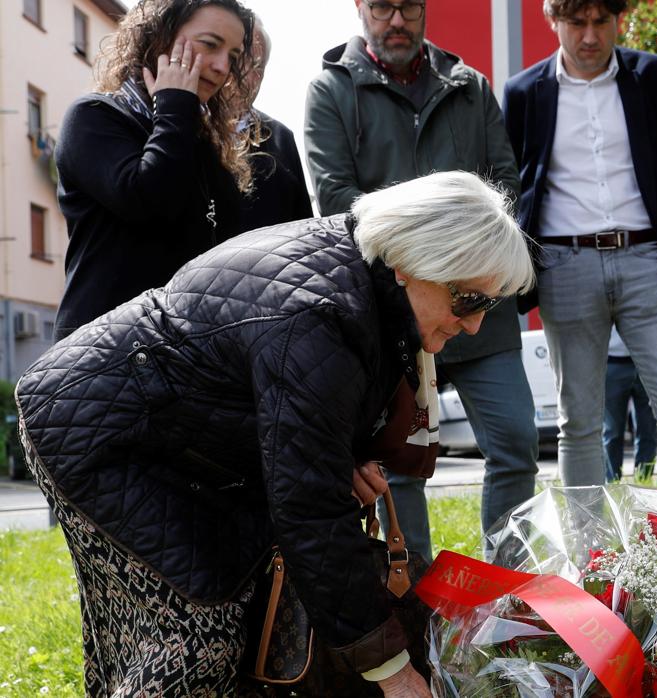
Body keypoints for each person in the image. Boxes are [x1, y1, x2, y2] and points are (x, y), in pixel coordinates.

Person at [16, 172, 533, 697]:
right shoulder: (321, 315)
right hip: (96, 430)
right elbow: (309, 509)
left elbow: (297, 406)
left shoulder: (362, 277)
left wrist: (339, 454)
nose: (473, 325)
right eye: (468, 300)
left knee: (214, 617)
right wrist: (392, 673)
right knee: (195, 635)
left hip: (168, 437)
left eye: (487, 306)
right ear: (412, 263)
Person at [305, 0, 535, 560]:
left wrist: (463, 266)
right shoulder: (332, 90)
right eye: (382, 7)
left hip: (483, 307)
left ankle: (502, 588)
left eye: (408, 6)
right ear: (361, 8)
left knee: (516, 446)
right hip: (392, 311)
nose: (396, 20)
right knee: (400, 465)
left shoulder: (469, 86)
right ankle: (420, 595)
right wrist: (430, 256)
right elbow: (336, 200)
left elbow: (505, 185)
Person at [503, 0, 657, 487]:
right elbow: (514, 183)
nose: (590, 36)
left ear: (620, 19)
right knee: (577, 423)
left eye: (602, 22)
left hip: (647, 261)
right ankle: (587, 557)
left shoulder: (654, 76)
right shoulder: (523, 91)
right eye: (577, 23)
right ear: (553, 21)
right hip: (563, 265)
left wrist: (654, 229)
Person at [54, 0, 257, 340]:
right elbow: (149, 202)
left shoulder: (197, 134)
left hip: (180, 352)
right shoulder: (93, 117)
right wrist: (175, 105)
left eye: (234, 57)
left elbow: (226, 242)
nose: (223, 67)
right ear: (159, 38)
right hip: (102, 353)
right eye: (210, 44)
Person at [238, 18, 313, 230]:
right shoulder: (192, 130)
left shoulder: (280, 137)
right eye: (240, 60)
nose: (249, 78)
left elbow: (303, 224)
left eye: (258, 68)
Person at [602, 328, 657, 481]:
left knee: (648, 428)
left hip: (646, 360)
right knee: (611, 431)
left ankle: (644, 481)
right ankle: (612, 483)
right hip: (611, 361)